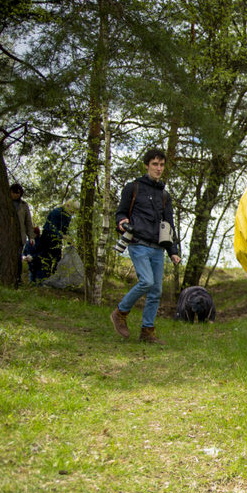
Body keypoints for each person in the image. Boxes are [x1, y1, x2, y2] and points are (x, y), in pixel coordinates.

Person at [110, 148, 181, 345]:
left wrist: (173, 251)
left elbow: (169, 225)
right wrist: (122, 221)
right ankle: (120, 312)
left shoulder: (165, 196)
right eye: (155, 164)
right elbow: (120, 213)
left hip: (158, 248)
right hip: (138, 243)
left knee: (156, 291)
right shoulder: (133, 188)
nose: (159, 169)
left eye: (162, 165)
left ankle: (147, 331)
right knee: (147, 282)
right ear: (147, 165)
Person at [35, 198, 79, 281]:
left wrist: (70, 241)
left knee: (57, 259)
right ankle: (42, 280)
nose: (72, 214)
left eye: (73, 213)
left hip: (57, 240)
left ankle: (53, 279)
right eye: (72, 211)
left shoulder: (68, 217)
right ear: (67, 206)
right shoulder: (56, 212)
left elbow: (65, 230)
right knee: (46, 258)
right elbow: (52, 227)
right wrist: (62, 236)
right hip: (47, 237)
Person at [10, 183, 35, 286]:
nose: (16, 195)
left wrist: (31, 237)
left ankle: (17, 279)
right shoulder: (5, 202)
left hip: (20, 236)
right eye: (14, 193)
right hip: (7, 234)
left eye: (18, 193)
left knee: (17, 258)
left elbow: (28, 222)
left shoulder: (24, 205)